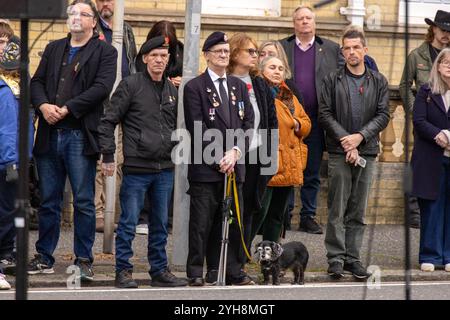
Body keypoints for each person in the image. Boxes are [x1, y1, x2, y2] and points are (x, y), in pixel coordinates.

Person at [28, 0, 117, 281]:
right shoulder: (55, 48)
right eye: (72, 13)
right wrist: (43, 106)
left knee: (83, 201)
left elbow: (101, 88)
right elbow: (36, 82)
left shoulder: (106, 51)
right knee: (49, 201)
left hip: (79, 134)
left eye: (83, 14)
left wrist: (68, 108)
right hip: (49, 134)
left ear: (93, 21)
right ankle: (44, 255)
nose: (76, 18)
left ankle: (83, 259)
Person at [99, 35, 187, 288]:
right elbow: (108, 120)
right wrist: (108, 155)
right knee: (128, 223)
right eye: (155, 55)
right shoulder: (131, 85)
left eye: (164, 56)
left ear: (169, 59)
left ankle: (159, 271)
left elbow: (175, 127)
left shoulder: (172, 90)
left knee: (160, 224)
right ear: (145, 58)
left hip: (165, 169)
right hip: (138, 168)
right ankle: (123, 271)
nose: (159, 60)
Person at [184, 31, 255, 286]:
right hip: (207, 167)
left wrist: (235, 152)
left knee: (231, 222)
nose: (224, 55)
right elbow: (197, 128)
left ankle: (226, 270)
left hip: (234, 166)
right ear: (207, 55)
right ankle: (195, 272)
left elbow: (249, 122)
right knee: (202, 223)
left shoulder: (238, 85)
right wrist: (219, 158)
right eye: (218, 51)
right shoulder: (195, 87)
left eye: (226, 51)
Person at [319, 27, 390, 279]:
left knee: (358, 208)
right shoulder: (332, 79)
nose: (351, 52)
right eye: (347, 48)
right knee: (337, 207)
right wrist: (347, 142)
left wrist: (360, 138)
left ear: (365, 50)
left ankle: (353, 257)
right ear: (342, 51)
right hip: (339, 151)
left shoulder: (378, 80)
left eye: (356, 47)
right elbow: (325, 113)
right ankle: (336, 258)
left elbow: (383, 115)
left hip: (367, 151)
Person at [280, 5, 344, 234]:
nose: (305, 22)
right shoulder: (282, 47)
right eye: (300, 18)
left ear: (314, 23)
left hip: (316, 120)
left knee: (312, 171)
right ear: (294, 23)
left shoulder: (331, 49)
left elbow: (341, 83)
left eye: (308, 18)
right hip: (287, 119)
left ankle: (308, 216)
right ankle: (283, 216)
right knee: (286, 167)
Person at [227, 33, 278, 268]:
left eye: (256, 52)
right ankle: (222, 261)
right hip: (229, 153)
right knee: (229, 210)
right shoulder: (223, 81)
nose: (256, 56)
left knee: (249, 209)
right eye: (251, 51)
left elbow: (271, 119)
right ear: (235, 53)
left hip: (256, 153)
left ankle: (240, 260)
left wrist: (271, 152)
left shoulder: (258, 83)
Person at [250, 56, 311, 243]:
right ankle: (241, 258)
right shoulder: (259, 93)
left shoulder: (289, 95)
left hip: (290, 164)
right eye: (272, 67)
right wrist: (290, 122)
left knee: (277, 217)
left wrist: (295, 122)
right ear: (261, 70)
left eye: (280, 68)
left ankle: (271, 257)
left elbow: (307, 124)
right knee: (258, 214)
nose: (277, 71)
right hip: (270, 162)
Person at [400, 10, 450, 229]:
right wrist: (414, 110)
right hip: (424, 119)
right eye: (443, 29)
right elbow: (404, 85)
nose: (446, 34)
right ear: (434, 29)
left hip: (446, 119)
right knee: (417, 162)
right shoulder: (417, 54)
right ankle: (412, 210)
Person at [135, 20, 184, 235]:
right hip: (149, 113)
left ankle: (166, 218)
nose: (162, 56)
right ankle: (144, 216)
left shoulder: (182, 52)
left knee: (169, 170)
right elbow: (140, 76)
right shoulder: (145, 53)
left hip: (174, 113)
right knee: (146, 168)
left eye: (167, 48)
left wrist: (182, 82)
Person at [94, 0, 137, 233]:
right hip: (99, 102)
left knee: (119, 161)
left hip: (123, 102)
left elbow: (132, 63)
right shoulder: (93, 27)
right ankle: (99, 212)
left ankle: (114, 210)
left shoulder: (126, 29)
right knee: (101, 160)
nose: (106, 3)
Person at [411, 48, 450, 272]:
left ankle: (447, 256)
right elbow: (418, 120)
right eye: (445, 61)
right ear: (437, 65)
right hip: (431, 158)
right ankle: (430, 255)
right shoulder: (426, 91)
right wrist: (438, 135)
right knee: (432, 207)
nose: (449, 65)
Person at [0, 41, 26, 290]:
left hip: (8, 160)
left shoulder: (7, 92)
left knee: (7, 212)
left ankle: (5, 255)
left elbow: (10, 130)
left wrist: (13, 161)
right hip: (8, 159)